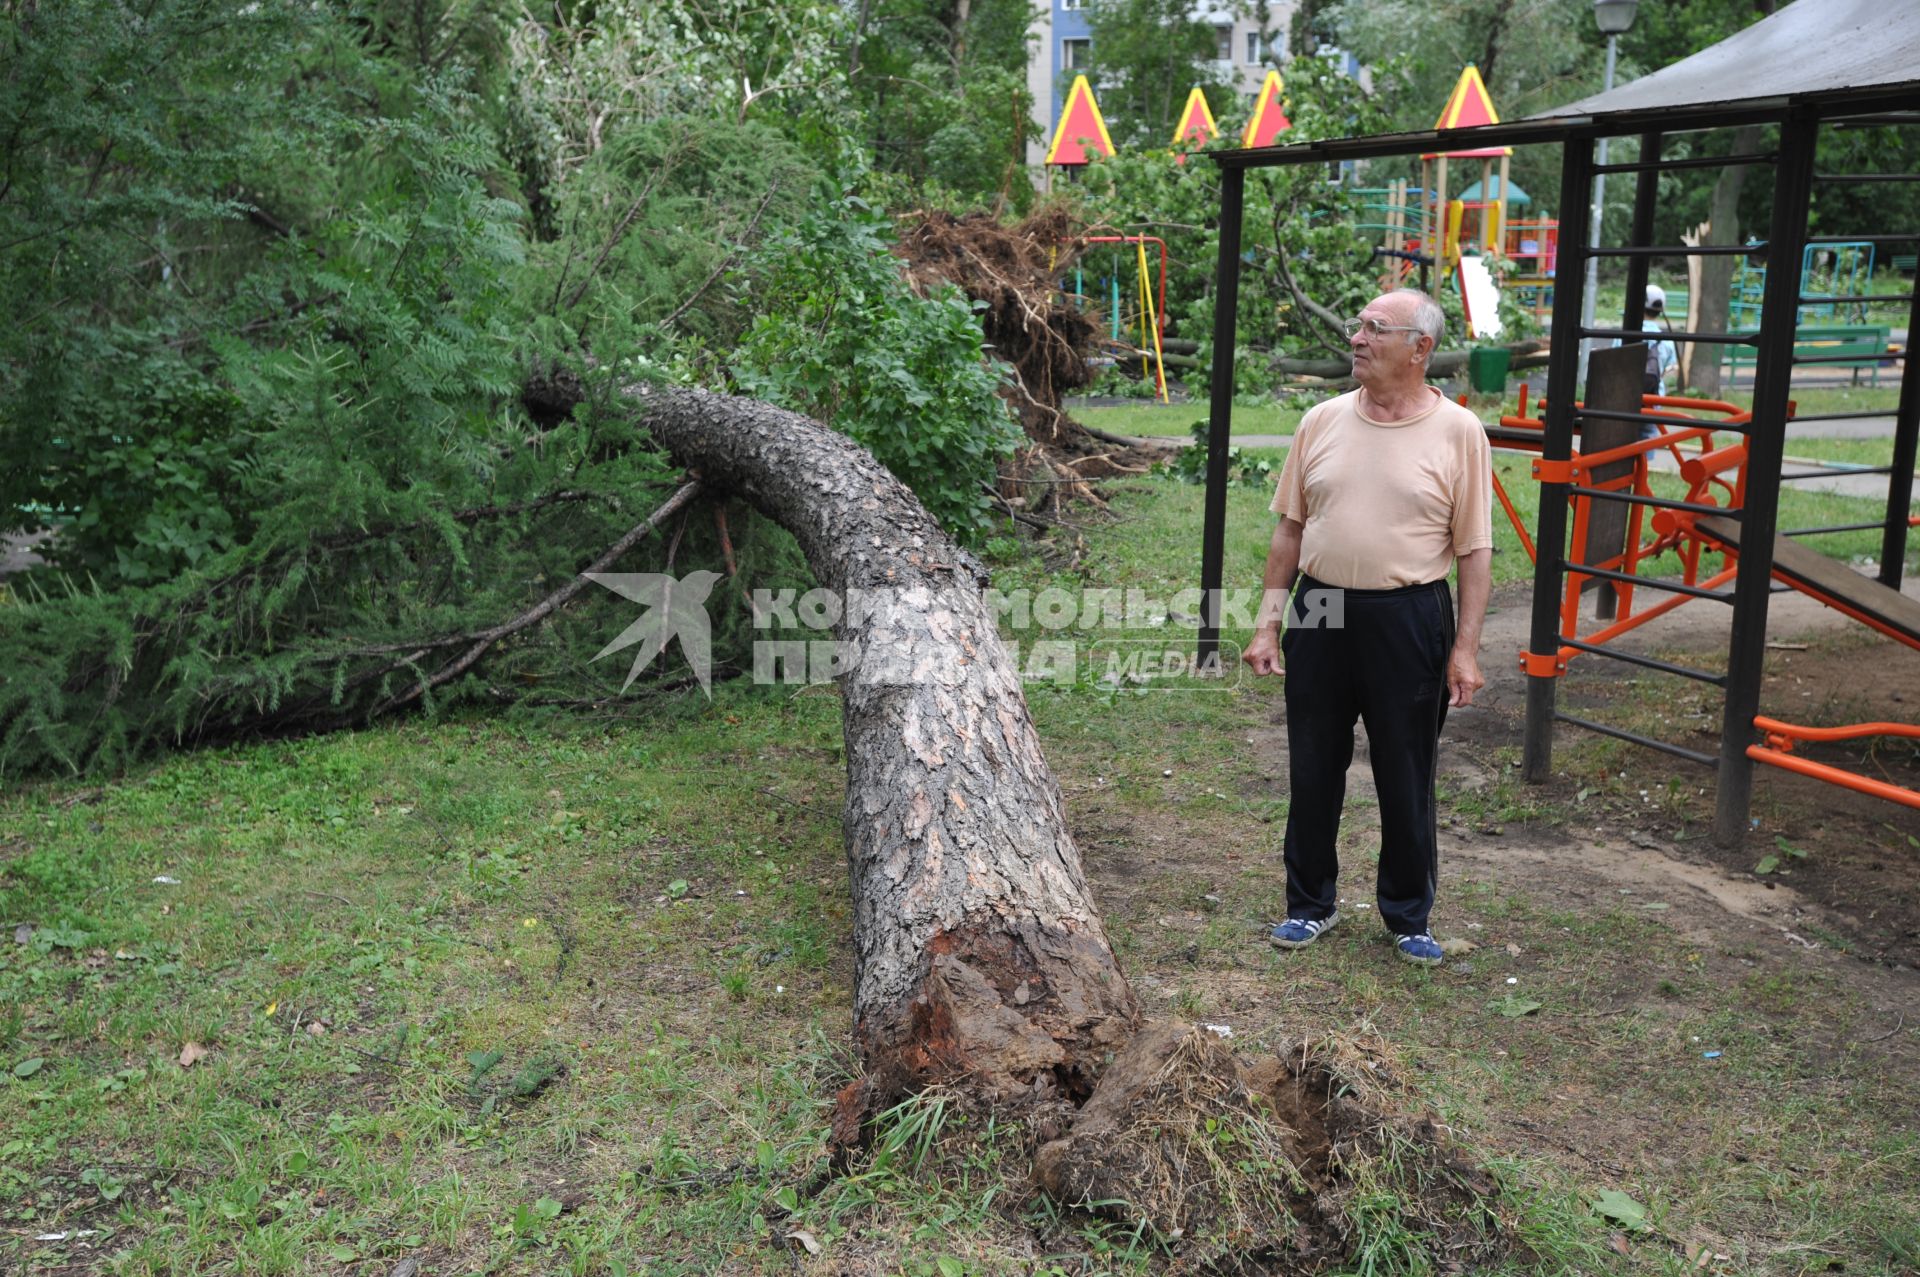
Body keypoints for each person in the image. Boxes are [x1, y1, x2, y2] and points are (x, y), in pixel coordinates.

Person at [1242, 288, 1493, 967]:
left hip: (1408, 616)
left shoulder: (1458, 431)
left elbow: (1474, 550)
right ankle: (1309, 903)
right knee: (1313, 762)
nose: (1356, 337)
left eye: (1375, 328)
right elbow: (1289, 531)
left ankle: (1408, 914)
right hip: (1320, 610)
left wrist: (1465, 648)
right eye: (1357, 324)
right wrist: (1268, 625)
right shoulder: (1320, 420)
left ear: (1420, 348)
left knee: (1405, 769)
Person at [1641, 284, 1679, 398]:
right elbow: (1669, 368)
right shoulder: (1667, 340)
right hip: (1656, 397)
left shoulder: (1623, 335)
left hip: (1627, 394)